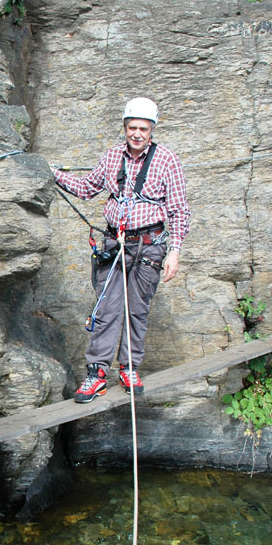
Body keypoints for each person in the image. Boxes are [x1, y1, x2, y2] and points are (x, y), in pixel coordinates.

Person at [50, 97, 190, 403]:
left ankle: (129, 367)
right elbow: (87, 187)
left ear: (152, 129)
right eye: (132, 128)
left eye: (143, 128)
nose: (137, 134)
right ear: (124, 128)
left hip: (150, 248)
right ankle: (97, 374)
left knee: (137, 312)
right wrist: (52, 174)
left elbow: (179, 210)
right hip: (116, 244)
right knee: (106, 310)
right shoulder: (113, 157)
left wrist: (175, 251)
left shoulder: (167, 161)